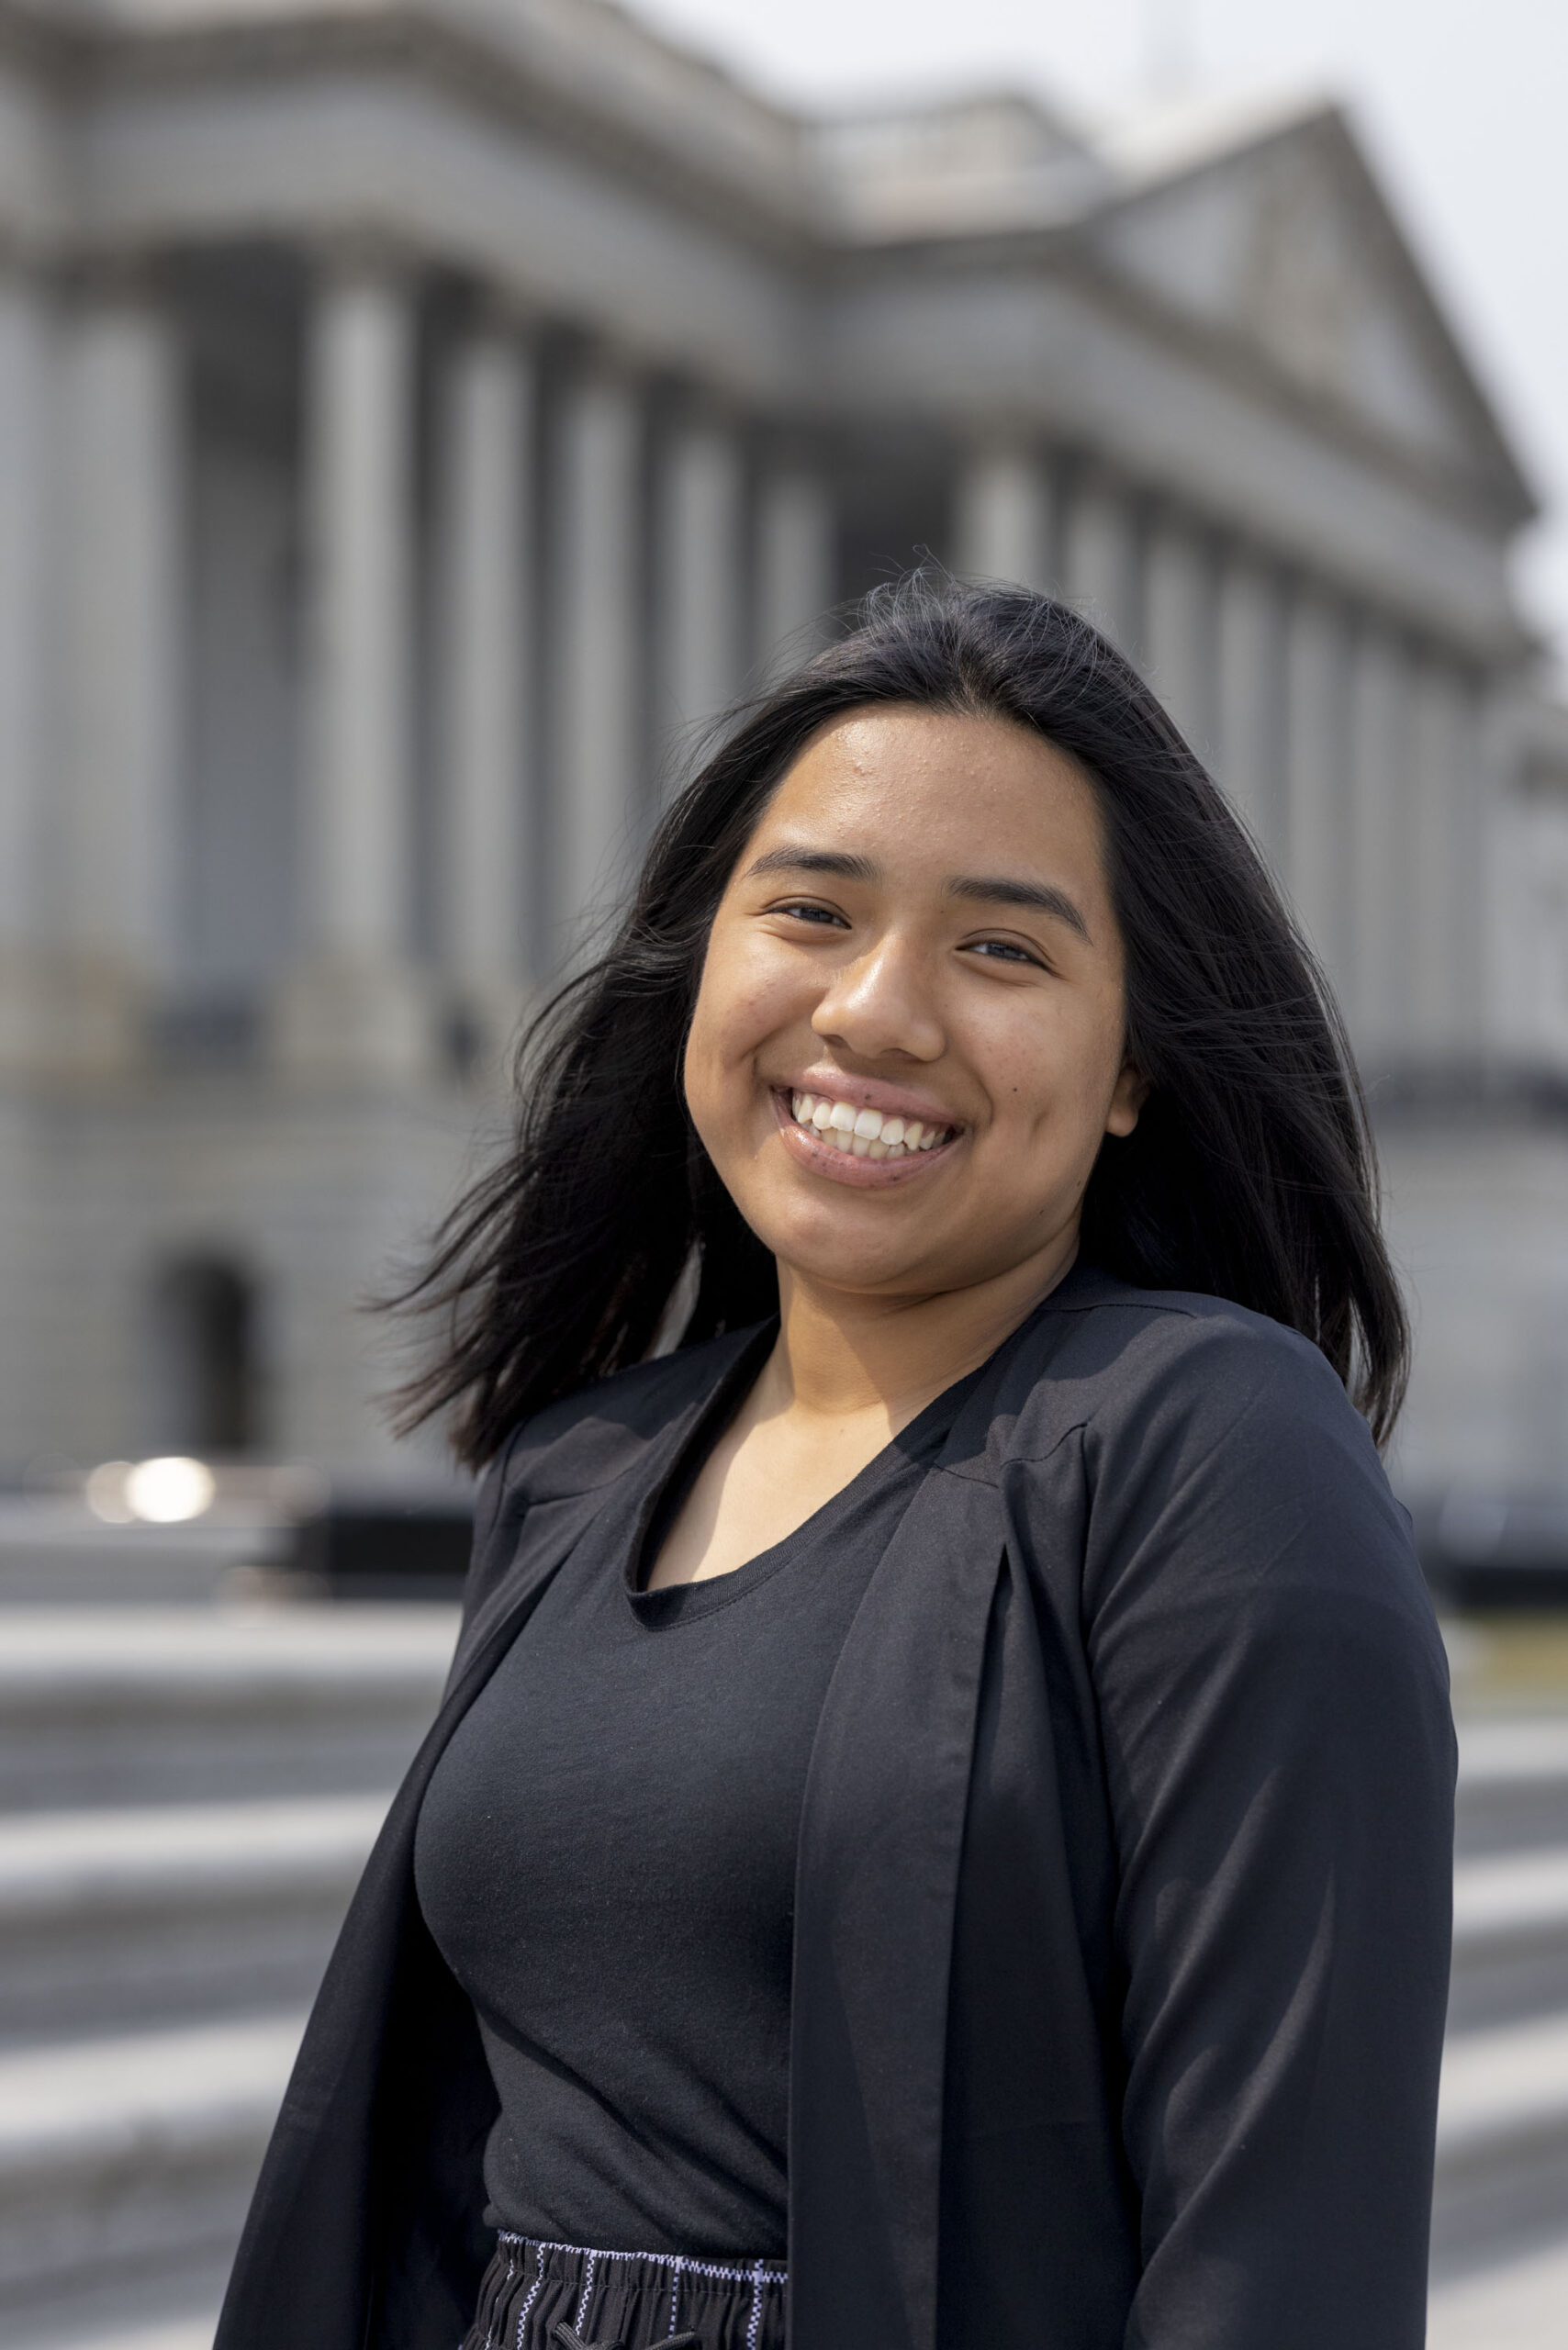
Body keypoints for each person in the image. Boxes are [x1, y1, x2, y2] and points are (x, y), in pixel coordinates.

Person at [215, 577, 1455, 2350]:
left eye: (1004, 949)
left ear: (1130, 1069)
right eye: (810, 912)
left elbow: (1287, 2243)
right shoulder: (579, 1475)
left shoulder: (1211, 1453)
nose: (876, 1012)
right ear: (706, 956)